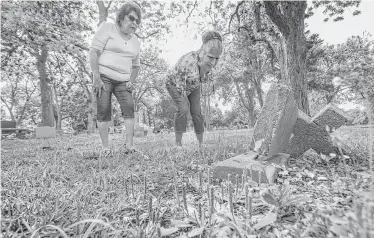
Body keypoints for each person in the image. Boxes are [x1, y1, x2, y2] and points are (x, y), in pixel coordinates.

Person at [89, 2, 141, 154]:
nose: (134, 23)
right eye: (131, 18)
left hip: (123, 80)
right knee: (103, 108)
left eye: (137, 21)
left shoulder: (135, 41)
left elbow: (136, 65)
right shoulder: (107, 28)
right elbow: (93, 52)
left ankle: (129, 146)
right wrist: (96, 77)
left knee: (129, 108)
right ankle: (106, 148)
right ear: (121, 17)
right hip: (104, 75)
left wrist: (131, 81)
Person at [166, 31, 223, 149]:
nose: (213, 62)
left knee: (196, 111)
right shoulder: (187, 63)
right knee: (183, 108)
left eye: (216, 58)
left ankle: (201, 144)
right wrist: (186, 101)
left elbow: (203, 79)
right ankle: (178, 144)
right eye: (210, 57)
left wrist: (203, 74)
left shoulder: (208, 64)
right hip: (175, 83)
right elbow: (181, 88)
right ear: (202, 51)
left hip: (193, 83)